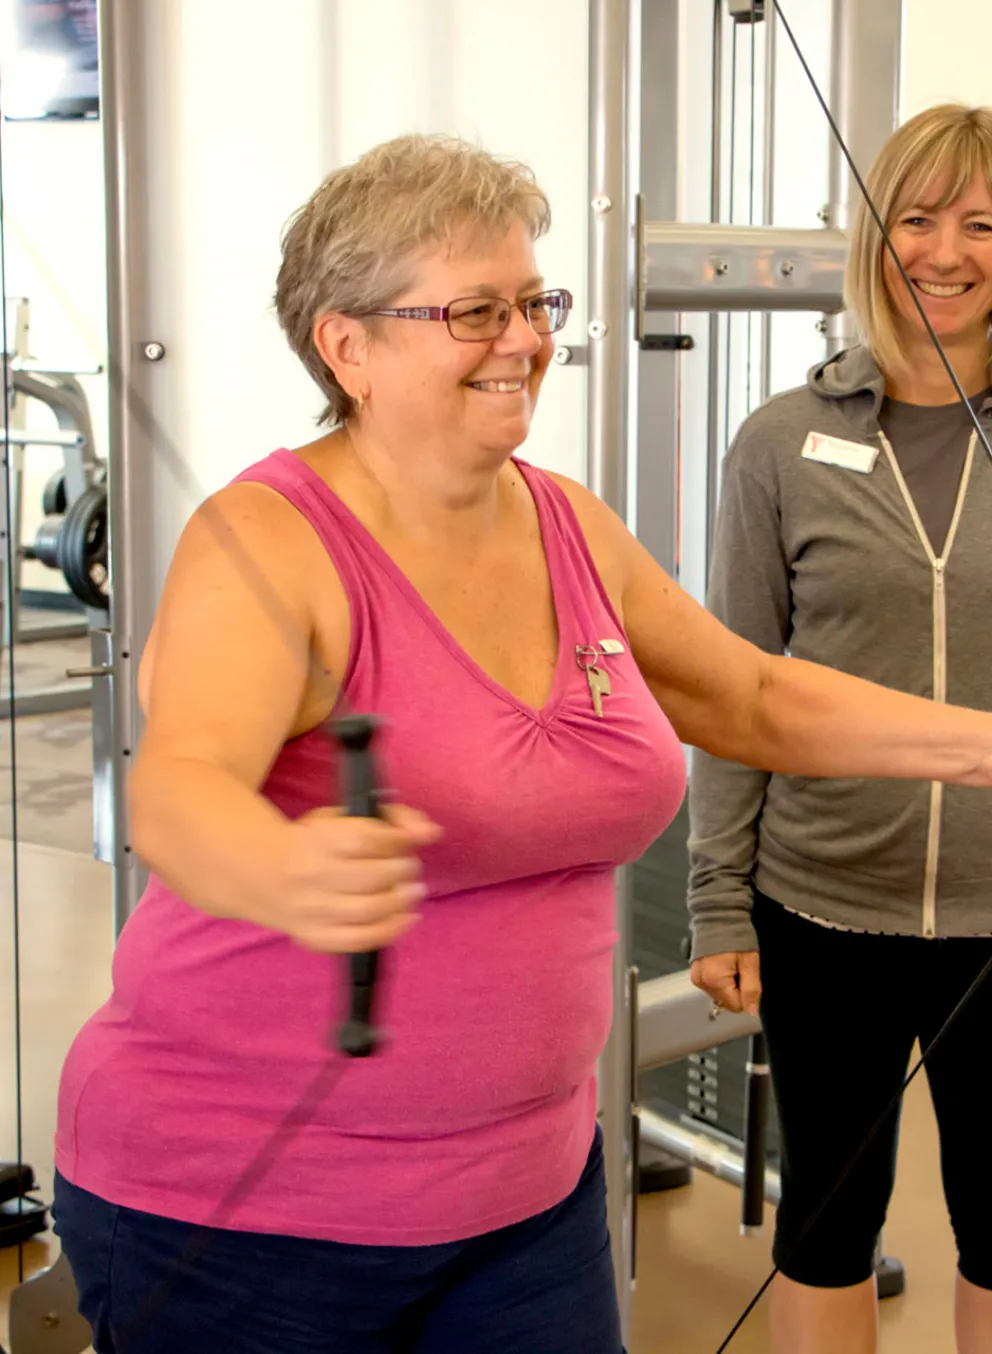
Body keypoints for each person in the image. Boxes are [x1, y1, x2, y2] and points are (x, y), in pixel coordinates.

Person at [53, 132, 992, 1354]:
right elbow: (177, 787)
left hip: (526, 1204)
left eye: (531, 302)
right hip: (249, 1219)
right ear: (348, 345)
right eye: (473, 310)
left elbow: (756, 699)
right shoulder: (269, 541)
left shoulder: (564, 522)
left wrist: (981, 744)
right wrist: (278, 869)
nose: (525, 339)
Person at [688, 104, 992, 1354]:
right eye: (915, 217)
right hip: (820, 908)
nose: (944, 250)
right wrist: (716, 897)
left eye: (981, 222)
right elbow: (735, 685)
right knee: (823, 1216)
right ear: (874, 235)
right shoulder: (777, 443)